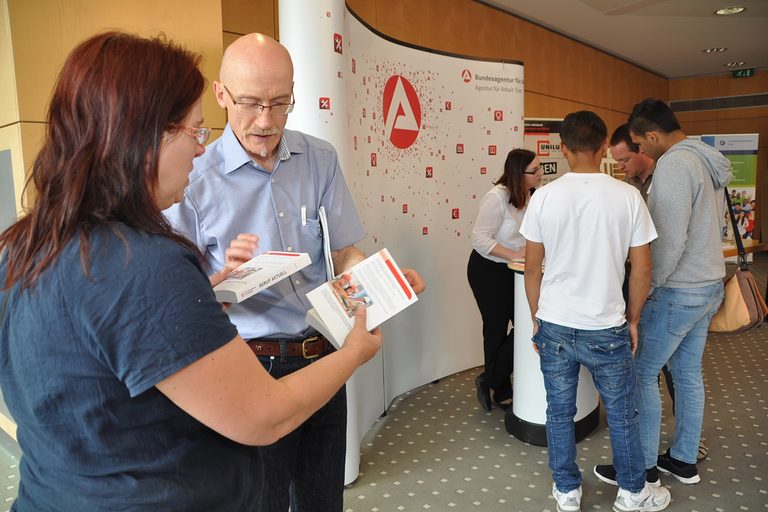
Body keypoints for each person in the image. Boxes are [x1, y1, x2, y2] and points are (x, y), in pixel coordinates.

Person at [0, 32, 384, 511]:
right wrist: (355, 353)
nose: (202, 151)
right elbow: (259, 416)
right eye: (195, 131)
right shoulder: (143, 264)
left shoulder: (22, 248)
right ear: (141, 135)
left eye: (280, 103)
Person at [163, 33, 424, 512]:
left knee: (323, 499)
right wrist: (223, 280)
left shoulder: (318, 158)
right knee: (259, 501)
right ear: (221, 95)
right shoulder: (190, 177)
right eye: (250, 103)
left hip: (322, 350)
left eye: (280, 103)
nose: (266, 121)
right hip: (247, 366)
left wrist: (379, 281)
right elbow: (177, 301)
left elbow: (345, 250)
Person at [520, 110, 670, 512]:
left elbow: (532, 269)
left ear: (563, 149)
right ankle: (632, 493)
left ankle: (567, 491)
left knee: (559, 411)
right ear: (605, 146)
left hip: (554, 324)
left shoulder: (544, 197)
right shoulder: (628, 196)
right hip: (607, 324)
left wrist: (537, 320)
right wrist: (634, 319)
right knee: (622, 413)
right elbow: (643, 268)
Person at [627, 98, 730, 485]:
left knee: (642, 373)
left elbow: (669, 240)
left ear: (653, 135)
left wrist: (647, 287)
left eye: (639, 144)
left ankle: (645, 466)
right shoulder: (705, 157)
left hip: (678, 288)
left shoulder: (673, 164)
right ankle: (684, 459)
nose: (640, 152)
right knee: (687, 373)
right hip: (708, 284)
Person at [467, 149, 542, 412]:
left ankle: (489, 378)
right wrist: (513, 253)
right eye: (535, 171)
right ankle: (501, 389)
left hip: (515, 271)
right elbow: (480, 239)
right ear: (518, 173)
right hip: (488, 270)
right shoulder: (496, 198)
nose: (540, 174)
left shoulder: (532, 196)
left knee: (524, 324)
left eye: (540, 168)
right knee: (496, 328)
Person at [610, 123, 654, 200]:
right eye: (617, 161)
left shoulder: (663, 176)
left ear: (641, 149)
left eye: (624, 160)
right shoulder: (625, 186)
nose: (620, 167)